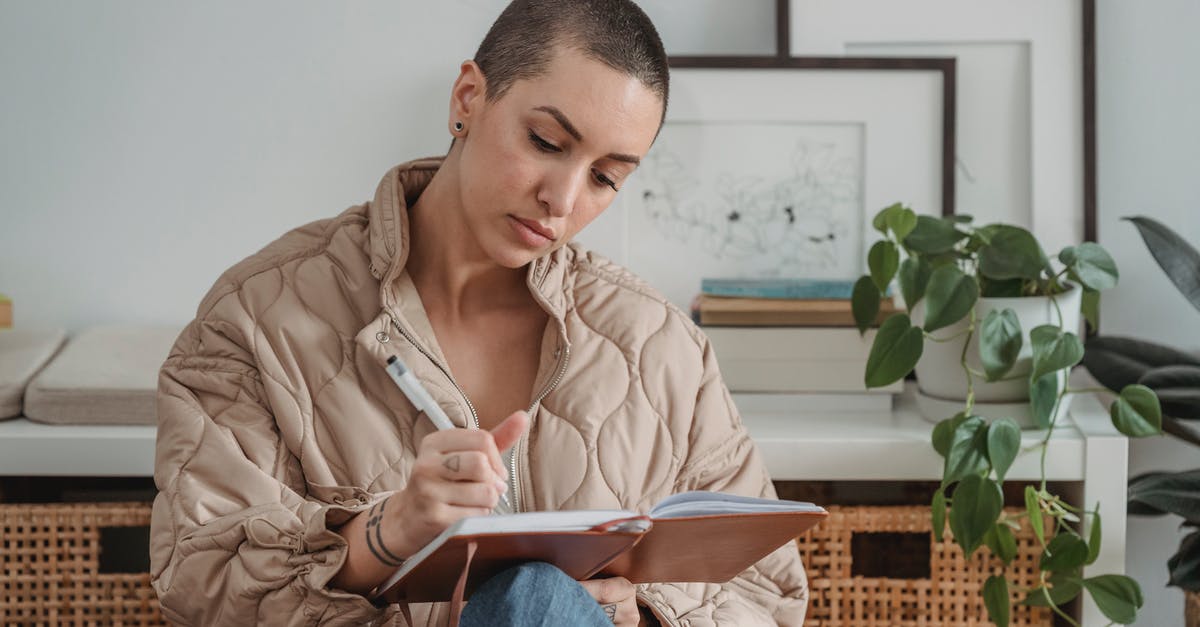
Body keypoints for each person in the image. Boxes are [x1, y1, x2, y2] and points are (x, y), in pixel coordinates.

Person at [149, 0, 809, 625]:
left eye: (606, 177)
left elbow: (768, 591)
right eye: (546, 141)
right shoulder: (258, 318)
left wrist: (637, 613)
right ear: (468, 98)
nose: (562, 197)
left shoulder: (662, 346)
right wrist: (384, 535)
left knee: (537, 599)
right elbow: (199, 579)